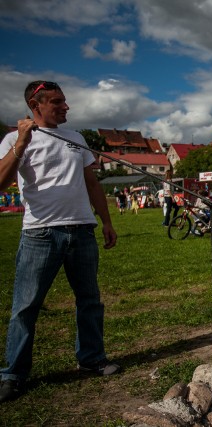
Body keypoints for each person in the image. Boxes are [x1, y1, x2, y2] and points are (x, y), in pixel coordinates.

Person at [0, 80, 120, 403]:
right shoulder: (15, 139)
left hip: (82, 230)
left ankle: (91, 359)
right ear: (35, 106)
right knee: (25, 306)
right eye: (57, 102)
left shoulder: (77, 138)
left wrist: (106, 220)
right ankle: (13, 374)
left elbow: (91, 183)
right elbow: (1, 181)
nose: (66, 107)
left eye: (65, 101)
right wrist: (21, 142)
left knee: (90, 300)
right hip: (40, 233)